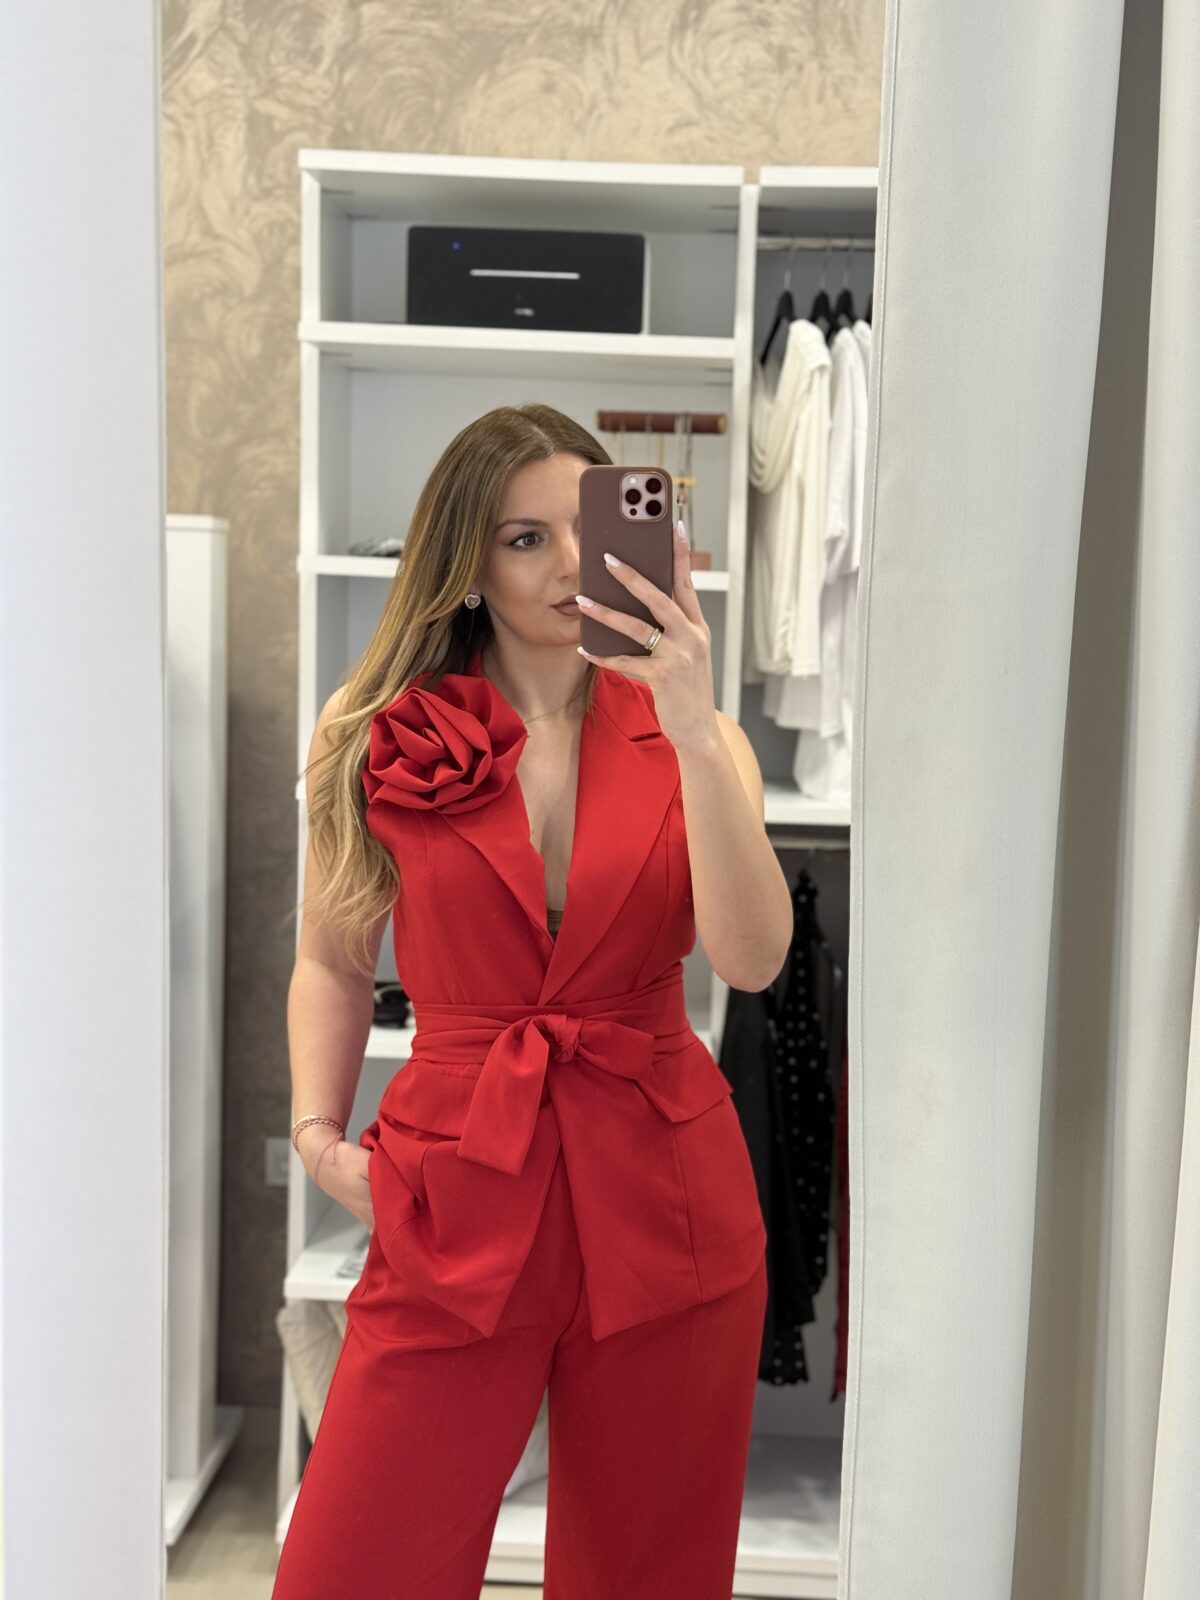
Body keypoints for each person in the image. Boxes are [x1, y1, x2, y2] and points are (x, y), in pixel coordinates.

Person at [272, 403, 793, 1599]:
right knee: (355, 1568)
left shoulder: (702, 736)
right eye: (524, 538)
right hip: (455, 1186)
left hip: (667, 1195)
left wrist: (694, 727)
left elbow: (754, 959)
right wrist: (316, 1135)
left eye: (587, 529)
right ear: (467, 563)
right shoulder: (370, 732)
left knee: (648, 1578)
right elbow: (334, 957)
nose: (569, 564)